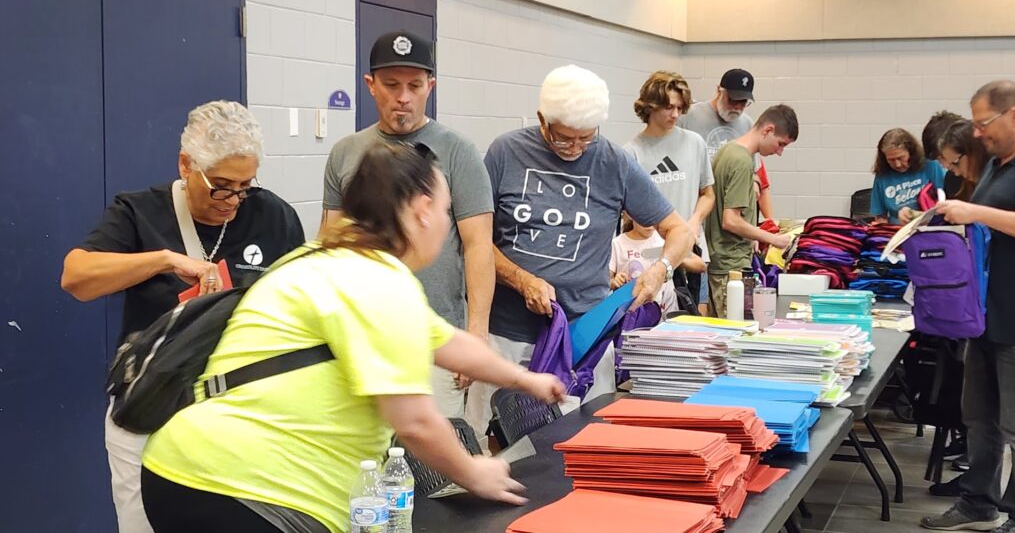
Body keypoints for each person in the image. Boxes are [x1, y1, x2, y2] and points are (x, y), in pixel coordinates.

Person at [141, 142, 566, 533]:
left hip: (189, 473)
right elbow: (415, 422)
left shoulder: (321, 258)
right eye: (445, 209)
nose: (445, 223)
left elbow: (449, 345)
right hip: (250, 492)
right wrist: (475, 472)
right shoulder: (377, 280)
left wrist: (525, 380)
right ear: (421, 210)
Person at [60, 100, 306, 533]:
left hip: (237, 414)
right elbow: (76, 278)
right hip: (150, 407)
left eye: (245, 186)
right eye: (222, 186)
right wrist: (161, 260)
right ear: (186, 164)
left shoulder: (274, 216)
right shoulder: (139, 212)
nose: (233, 200)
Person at [465, 64, 694, 434]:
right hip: (507, 336)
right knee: (497, 440)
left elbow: (679, 231)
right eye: (564, 139)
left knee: (582, 441)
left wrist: (660, 270)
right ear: (543, 121)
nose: (575, 149)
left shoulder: (613, 161)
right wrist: (522, 280)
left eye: (586, 139)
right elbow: (476, 240)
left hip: (584, 336)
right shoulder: (505, 152)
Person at [321, 30, 494, 419]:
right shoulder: (345, 153)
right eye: (391, 85)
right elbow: (331, 239)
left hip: (436, 338)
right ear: (370, 85)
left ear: (430, 86)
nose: (403, 97)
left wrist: (476, 333)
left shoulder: (457, 151)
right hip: (363, 336)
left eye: (415, 86)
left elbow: (479, 245)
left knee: (436, 466)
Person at [922, 80, 1015, 533]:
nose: (978, 133)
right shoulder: (996, 168)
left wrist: (976, 213)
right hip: (982, 315)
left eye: (984, 123)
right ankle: (978, 501)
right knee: (980, 418)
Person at [624, 70, 713, 314]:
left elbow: (708, 194)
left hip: (691, 251)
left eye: (679, 108)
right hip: (652, 255)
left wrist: (694, 221)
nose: (675, 114)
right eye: (668, 107)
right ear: (650, 107)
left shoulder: (695, 142)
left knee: (696, 323)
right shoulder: (632, 152)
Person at [705, 105, 798, 318]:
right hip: (730, 264)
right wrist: (774, 239)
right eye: (780, 143)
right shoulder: (741, 160)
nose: (779, 151)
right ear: (767, 130)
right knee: (733, 335)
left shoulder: (728, 150)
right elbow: (731, 221)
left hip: (724, 261)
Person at [680, 68, 773, 221]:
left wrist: (754, 182)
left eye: (743, 102)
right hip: (697, 207)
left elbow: (756, 172)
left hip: (730, 210)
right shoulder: (688, 117)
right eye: (732, 100)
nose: (737, 107)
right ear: (719, 91)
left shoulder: (747, 124)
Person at [610, 212, 704, 314]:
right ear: (630, 214)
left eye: (652, 217)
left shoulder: (665, 239)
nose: (649, 223)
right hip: (632, 315)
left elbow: (700, 265)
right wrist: (615, 281)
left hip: (667, 313)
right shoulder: (617, 244)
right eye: (643, 217)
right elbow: (607, 282)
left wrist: (670, 260)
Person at [869, 128, 945, 224]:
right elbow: (880, 216)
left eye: (901, 158)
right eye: (891, 160)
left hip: (929, 227)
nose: (897, 164)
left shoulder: (930, 165)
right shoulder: (882, 176)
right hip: (897, 232)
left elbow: (946, 201)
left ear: (911, 153)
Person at [923, 110, 965, 200]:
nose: (945, 165)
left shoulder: (992, 171)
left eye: (943, 156)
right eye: (938, 159)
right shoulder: (951, 179)